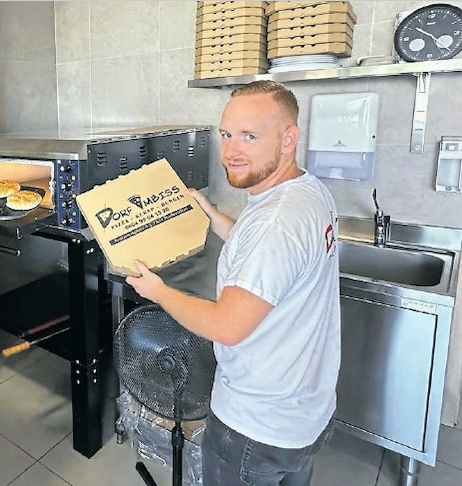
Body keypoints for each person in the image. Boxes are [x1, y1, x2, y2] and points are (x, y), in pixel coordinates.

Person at [126, 80, 340, 486]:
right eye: (226, 134)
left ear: (289, 138)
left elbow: (228, 325)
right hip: (305, 413)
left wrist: (159, 292)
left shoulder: (274, 222)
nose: (230, 151)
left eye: (250, 136)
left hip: (255, 426)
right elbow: (269, 252)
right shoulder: (307, 192)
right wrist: (210, 214)